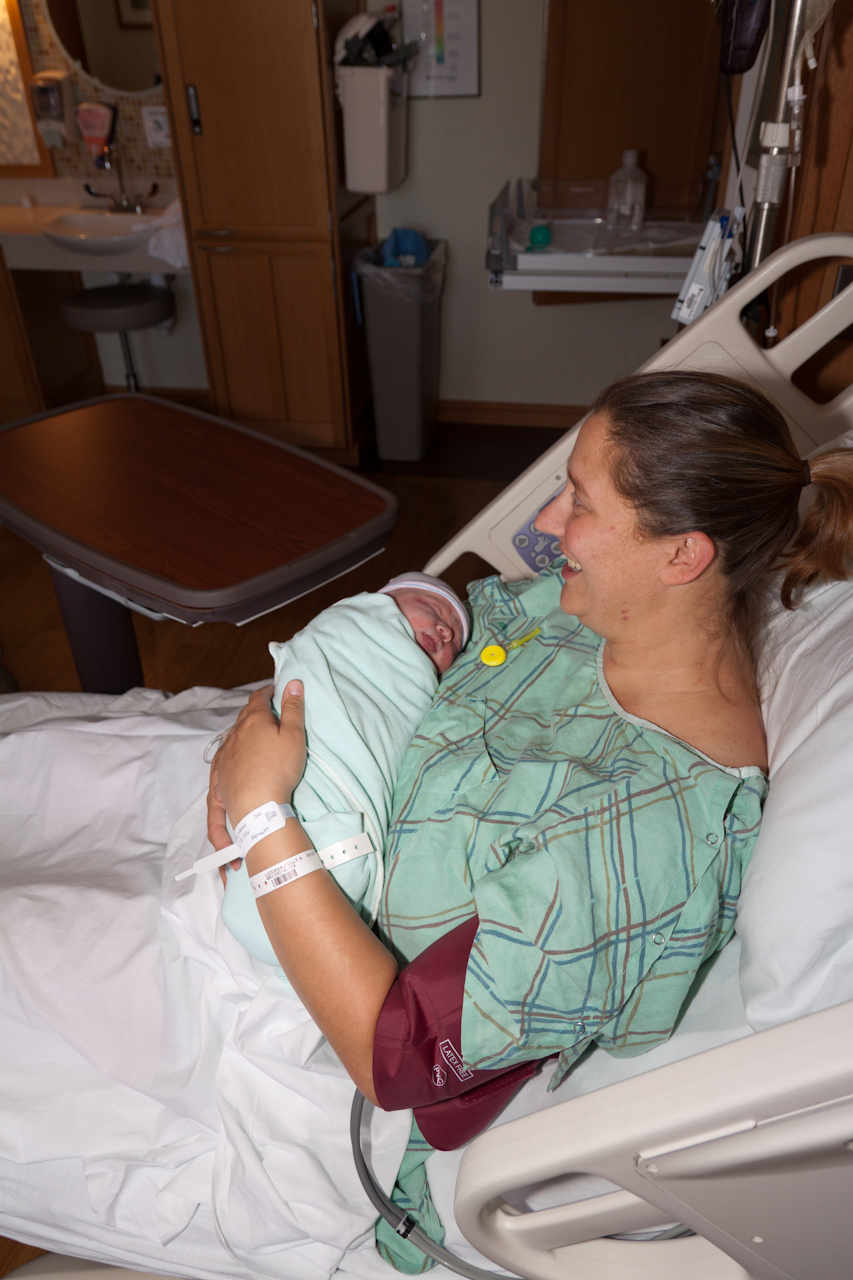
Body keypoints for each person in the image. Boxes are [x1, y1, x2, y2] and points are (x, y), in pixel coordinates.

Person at [207, 370, 853, 1269]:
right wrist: (270, 726)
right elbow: (435, 639)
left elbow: (398, 1058)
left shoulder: (641, 838)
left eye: (578, 502)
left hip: (290, 1002)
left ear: (682, 555)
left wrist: (262, 814)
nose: (546, 524)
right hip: (276, 850)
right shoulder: (590, 613)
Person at [218, 573, 469, 966]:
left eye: (454, 640)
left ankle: (291, 874)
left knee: (320, 857)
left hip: (340, 786)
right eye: (433, 608)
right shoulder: (351, 626)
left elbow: (392, 729)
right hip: (307, 759)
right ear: (379, 602)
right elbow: (314, 654)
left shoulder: (416, 684)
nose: (444, 630)